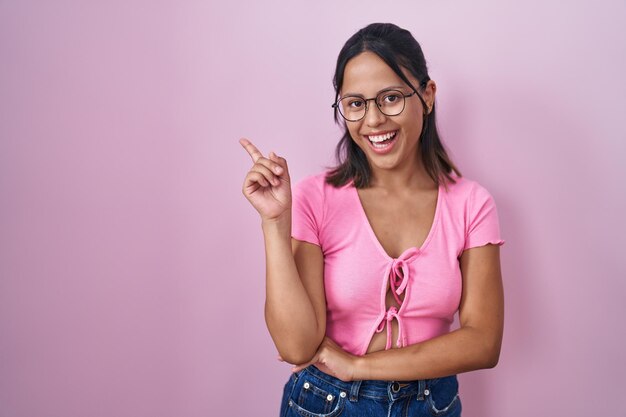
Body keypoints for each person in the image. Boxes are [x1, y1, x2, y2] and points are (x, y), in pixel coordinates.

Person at [240, 22, 505, 417]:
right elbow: (295, 346)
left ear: (427, 96)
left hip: (430, 406)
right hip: (324, 404)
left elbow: (483, 342)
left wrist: (359, 367)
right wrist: (275, 223)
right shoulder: (316, 197)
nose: (374, 120)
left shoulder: (471, 204)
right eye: (355, 103)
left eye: (391, 97)